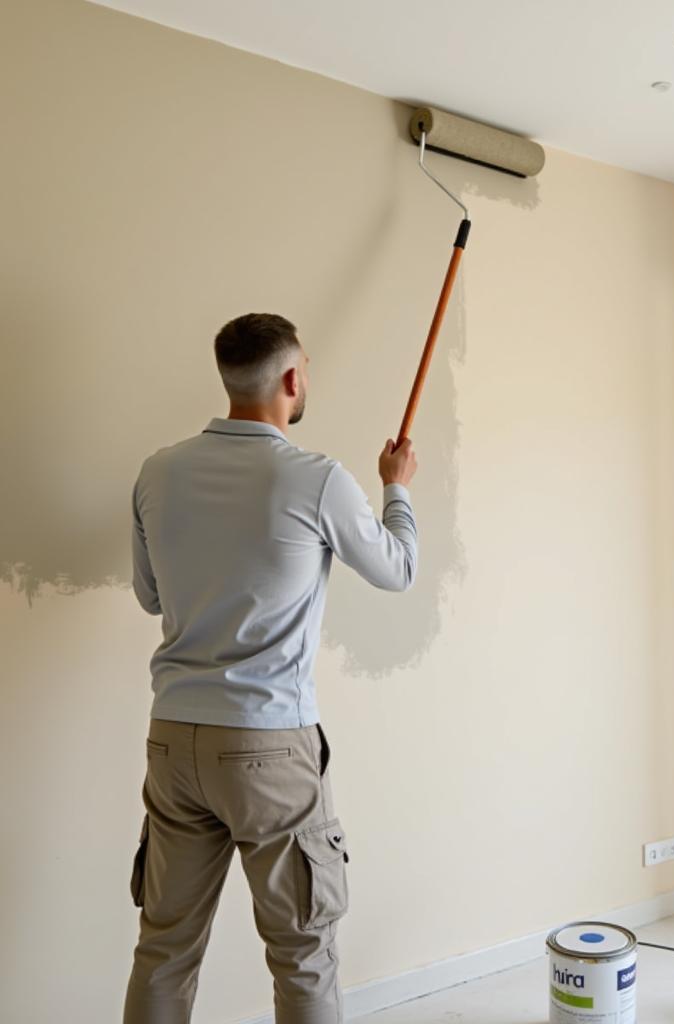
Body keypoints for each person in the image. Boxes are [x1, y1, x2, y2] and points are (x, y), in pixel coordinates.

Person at [123, 313, 418, 1024]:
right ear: (291, 379)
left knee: (163, 946)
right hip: (267, 748)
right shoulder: (316, 479)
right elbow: (398, 568)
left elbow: (149, 595)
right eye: (307, 367)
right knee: (302, 950)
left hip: (174, 739)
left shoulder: (158, 471)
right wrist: (397, 486)